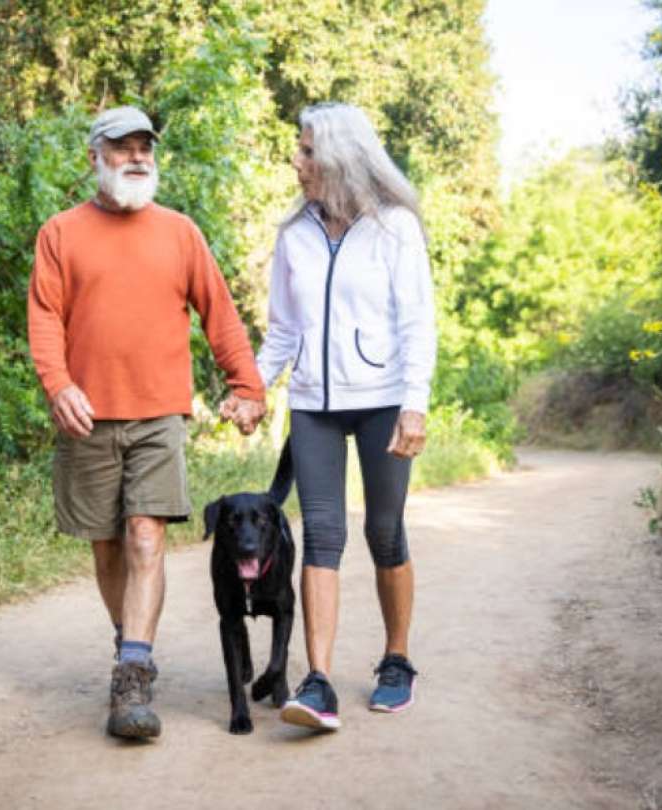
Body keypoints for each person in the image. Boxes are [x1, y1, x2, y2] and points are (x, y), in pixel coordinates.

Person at [27, 106, 267, 740]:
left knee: (143, 535)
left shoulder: (180, 233)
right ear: (95, 157)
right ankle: (128, 639)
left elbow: (220, 314)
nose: (137, 157)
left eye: (145, 147)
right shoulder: (60, 233)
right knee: (107, 544)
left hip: (160, 413)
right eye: (122, 147)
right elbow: (45, 317)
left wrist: (247, 385)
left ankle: (133, 673)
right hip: (87, 416)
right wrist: (57, 385)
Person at [255, 102, 437, 731]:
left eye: (307, 151)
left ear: (339, 157)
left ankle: (396, 660)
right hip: (313, 404)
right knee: (321, 534)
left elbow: (417, 325)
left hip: (383, 400)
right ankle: (319, 681)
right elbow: (283, 331)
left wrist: (415, 404)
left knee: (384, 533)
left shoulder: (394, 227)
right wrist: (252, 389)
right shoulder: (294, 234)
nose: (297, 161)